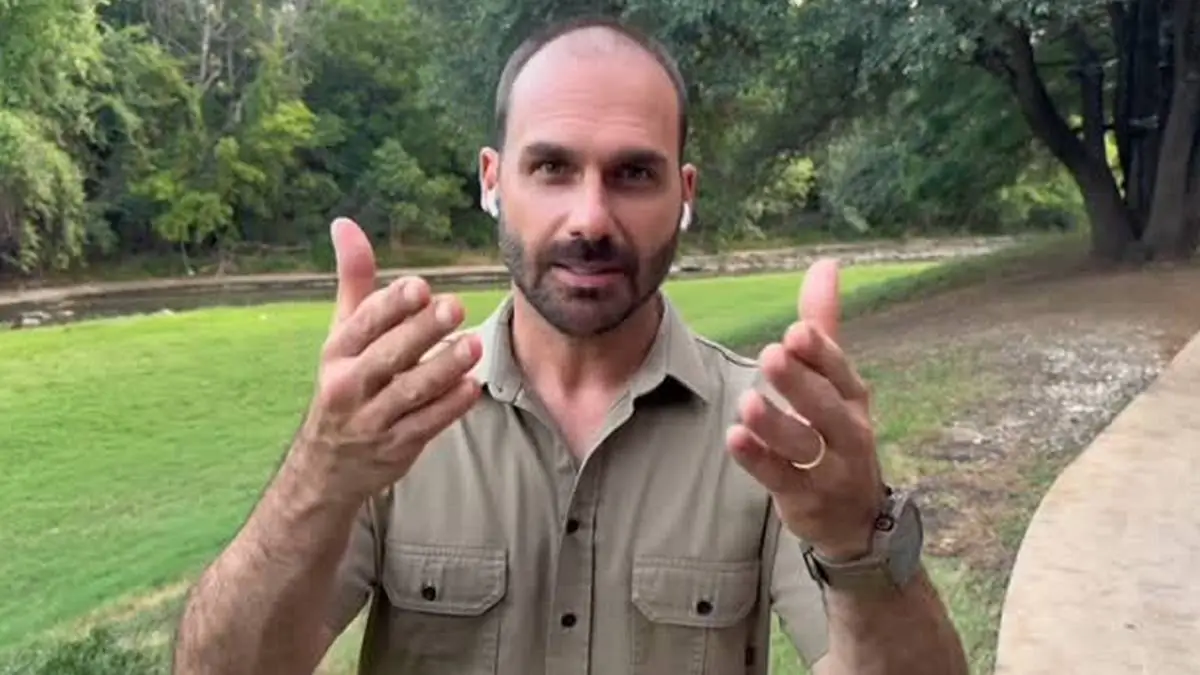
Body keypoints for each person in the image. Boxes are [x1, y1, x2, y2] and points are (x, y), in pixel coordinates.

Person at [171, 15, 968, 675]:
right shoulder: (393, 422)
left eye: (633, 174)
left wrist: (859, 541)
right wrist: (319, 471)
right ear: (492, 180)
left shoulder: (767, 431)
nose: (589, 217)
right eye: (552, 167)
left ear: (684, 194)